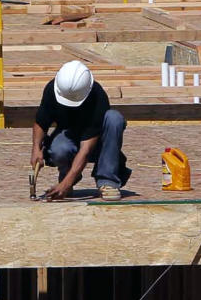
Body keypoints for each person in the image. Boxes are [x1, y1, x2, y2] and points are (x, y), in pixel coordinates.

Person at [31, 60, 130, 202]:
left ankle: (107, 181)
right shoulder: (52, 89)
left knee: (114, 119)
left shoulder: (98, 97)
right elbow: (41, 122)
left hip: (97, 144)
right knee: (59, 148)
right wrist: (36, 149)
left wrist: (66, 183)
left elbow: (86, 150)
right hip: (69, 136)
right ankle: (67, 176)